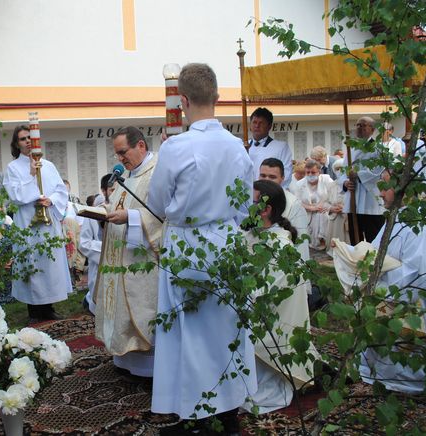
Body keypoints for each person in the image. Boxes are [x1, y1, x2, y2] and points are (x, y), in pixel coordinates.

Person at [148, 63, 256, 433]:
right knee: (226, 327)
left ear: (182, 100)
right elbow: (245, 207)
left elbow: (158, 203)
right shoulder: (239, 148)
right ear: (218, 97)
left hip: (188, 243)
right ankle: (228, 413)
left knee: (189, 331)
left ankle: (196, 415)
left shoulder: (177, 147)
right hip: (227, 241)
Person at [242, 180, 317, 413]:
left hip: (271, 322)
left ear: (266, 210)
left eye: (251, 203)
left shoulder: (281, 247)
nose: (246, 208)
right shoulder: (254, 234)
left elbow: (263, 293)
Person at [94, 126, 161, 378]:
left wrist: (130, 217)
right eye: (117, 154)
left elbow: (162, 217)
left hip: (140, 259)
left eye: (124, 152)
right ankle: (124, 361)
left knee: (142, 311)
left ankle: (148, 368)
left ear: (141, 146)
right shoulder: (126, 176)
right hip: (118, 257)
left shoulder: (157, 175)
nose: (120, 159)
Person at [358, 170, 426, 393]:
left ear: (403, 190)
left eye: (385, 187)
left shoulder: (418, 224)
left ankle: (405, 378)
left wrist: (381, 284)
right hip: (383, 291)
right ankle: (379, 372)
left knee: (401, 343)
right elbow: (376, 253)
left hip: (403, 298)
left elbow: (417, 271)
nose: (380, 193)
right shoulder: (396, 217)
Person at [3, 125, 71, 322]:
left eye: (29, 138)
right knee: (31, 262)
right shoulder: (13, 167)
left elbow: (61, 190)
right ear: (17, 144)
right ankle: (33, 310)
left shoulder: (49, 165)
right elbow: (15, 195)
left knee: (49, 264)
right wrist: (32, 175)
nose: (27, 142)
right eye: (22, 139)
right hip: (28, 224)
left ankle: (48, 308)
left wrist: (51, 200)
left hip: (48, 222)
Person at [258, 158, 310, 278]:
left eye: (272, 177)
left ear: (282, 178)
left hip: (282, 267)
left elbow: (300, 243)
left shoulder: (294, 204)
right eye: (263, 175)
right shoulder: (253, 200)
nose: (266, 180)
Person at [338, 116, 385, 243]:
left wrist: (358, 174)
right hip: (353, 197)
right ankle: (356, 259)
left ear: (372, 129)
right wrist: (345, 183)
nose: (359, 128)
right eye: (358, 125)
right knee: (355, 237)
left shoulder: (378, 148)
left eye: (363, 125)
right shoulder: (350, 148)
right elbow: (343, 171)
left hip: (370, 199)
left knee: (373, 237)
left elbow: (379, 171)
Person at [79, 174, 114, 314]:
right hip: (101, 264)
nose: (115, 193)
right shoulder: (94, 213)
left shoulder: (127, 211)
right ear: (104, 191)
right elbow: (84, 243)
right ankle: (89, 300)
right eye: (112, 190)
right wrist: (107, 248)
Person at [248, 107, 294, 188]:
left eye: (261, 123)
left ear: (269, 126)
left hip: (271, 193)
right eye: (254, 122)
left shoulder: (281, 147)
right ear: (250, 125)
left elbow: (286, 174)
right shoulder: (243, 146)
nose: (257, 126)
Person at [296, 159, 334, 250]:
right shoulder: (299, 184)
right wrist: (310, 208)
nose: (310, 175)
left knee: (321, 215)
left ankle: (324, 240)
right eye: (307, 172)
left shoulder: (326, 180)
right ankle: (316, 241)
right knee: (317, 215)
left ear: (319, 172)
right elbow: (297, 202)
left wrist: (326, 206)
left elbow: (334, 194)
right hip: (307, 212)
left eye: (313, 172)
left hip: (325, 209)